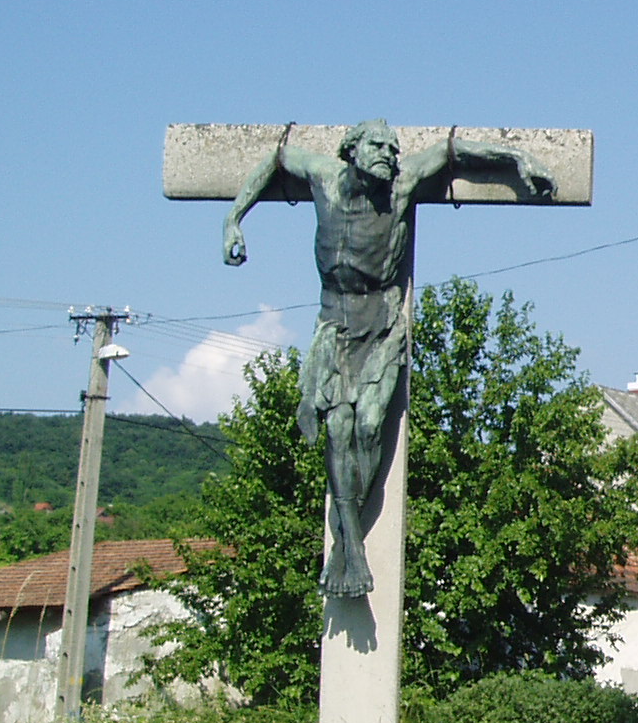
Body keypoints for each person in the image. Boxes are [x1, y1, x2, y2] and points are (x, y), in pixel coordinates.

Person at [222, 120, 553, 597]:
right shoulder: (323, 177)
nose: (388, 154)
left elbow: (452, 149)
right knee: (337, 427)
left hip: (380, 322)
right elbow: (276, 158)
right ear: (351, 150)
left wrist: (518, 158)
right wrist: (234, 219)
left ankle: (348, 539)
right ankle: (351, 546)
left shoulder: (401, 186)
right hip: (334, 323)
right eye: (377, 145)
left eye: (393, 148)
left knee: (368, 424)